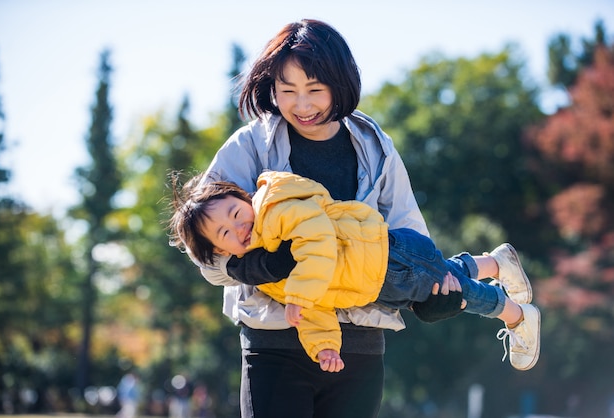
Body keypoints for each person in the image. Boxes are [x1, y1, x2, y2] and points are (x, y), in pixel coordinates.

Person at [179, 19, 524, 417]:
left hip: (361, 344)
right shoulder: (250, 146)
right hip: (273, 343)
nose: (302, 105)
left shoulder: (375, 147)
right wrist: (255, 266)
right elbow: (202, 244)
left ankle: (500, 282)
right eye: (287, 90)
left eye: (315, 89)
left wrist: (427, 299)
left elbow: (407, 232)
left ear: (340, 84)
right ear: (271, 88)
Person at [169, 170, 541, 373]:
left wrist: (299, 294)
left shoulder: (277, 210)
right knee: (446, 273)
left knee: (456, 292)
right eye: (225, 234)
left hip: (388, 256)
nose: (239, 228)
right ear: (220, 252)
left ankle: (517, 314)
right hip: (379, 284)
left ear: (245, 198)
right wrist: (325, 345)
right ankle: (496, 262)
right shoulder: (266, 273)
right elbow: (314, 307)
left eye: (236, 213)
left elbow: (318, 244)